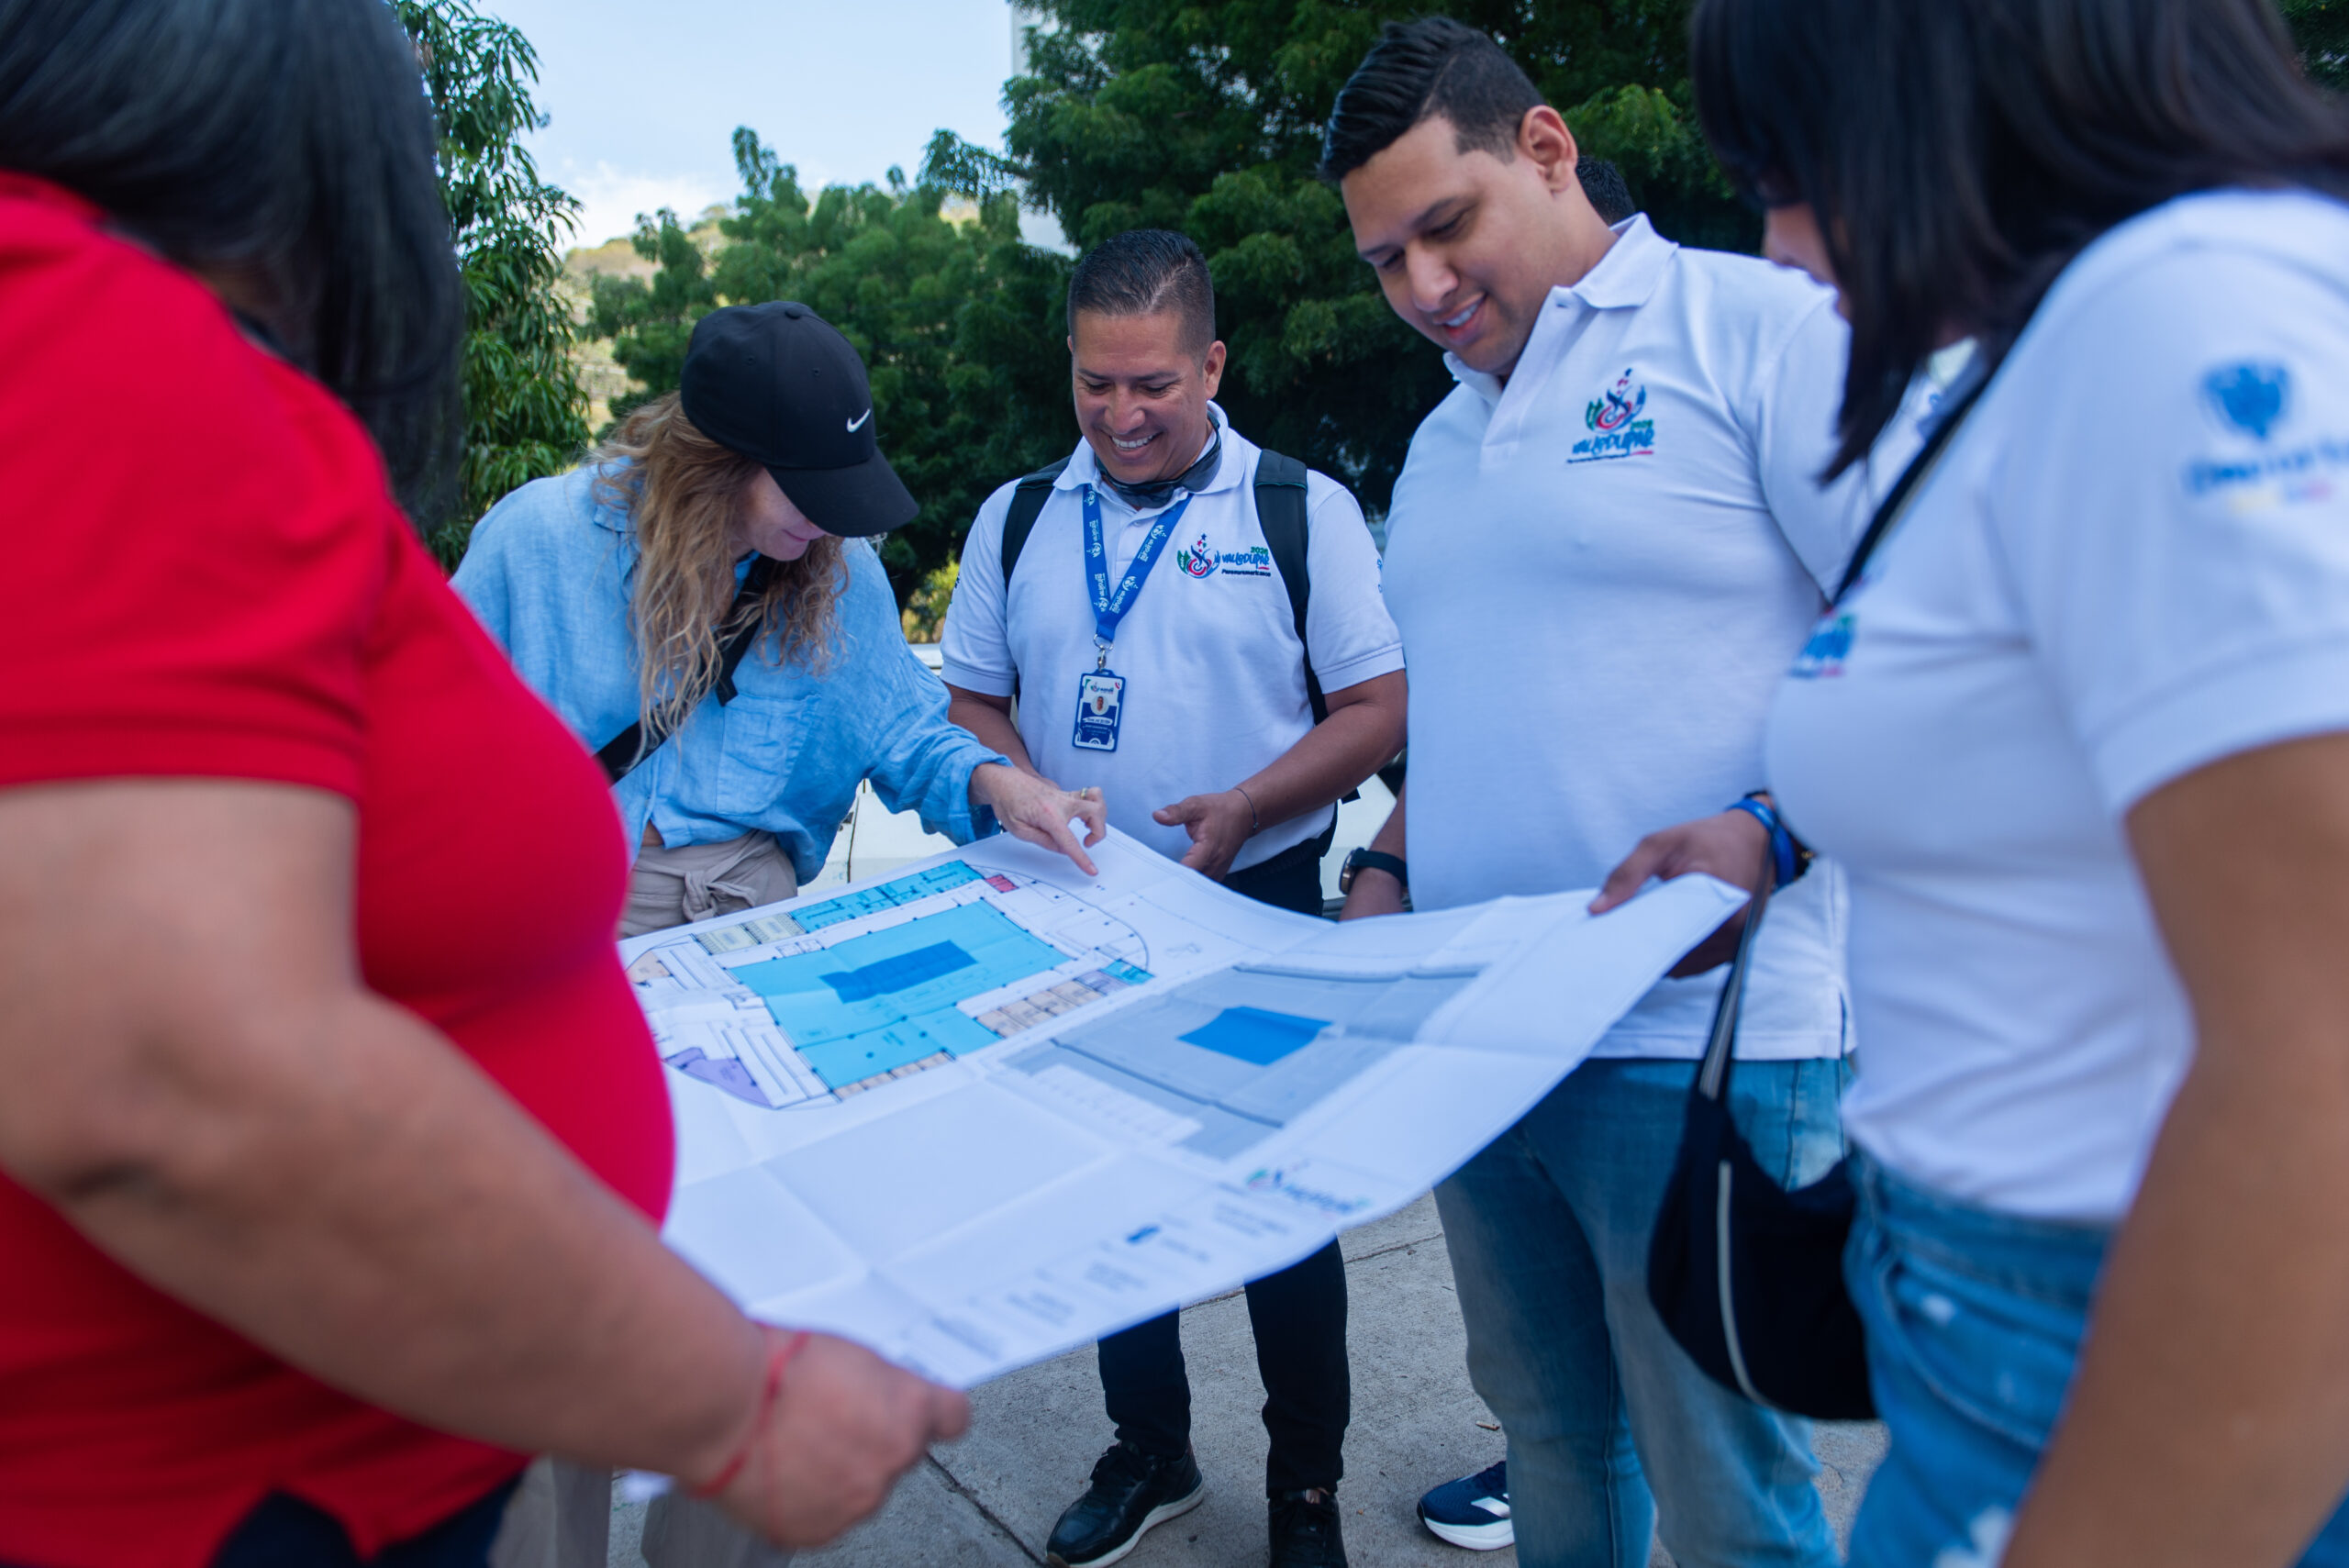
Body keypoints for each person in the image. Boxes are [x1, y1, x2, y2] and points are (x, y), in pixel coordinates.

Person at [0, 3, 966, 1566]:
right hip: (230, 1480)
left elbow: (908, 727)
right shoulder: (110, 346)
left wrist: (1002, 789)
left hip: (342, 1416)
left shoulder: (101, 363)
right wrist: (732, 1401)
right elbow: (173, 1076)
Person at [1589, 2, 2349, 1564]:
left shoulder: (2183, 307)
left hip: (2130, 1348)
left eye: (1791, 170)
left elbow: (2322, 1047)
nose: (1786, 242)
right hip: (1986, 1328)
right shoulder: (2053, 351)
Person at [1321, 18, 1913, 1567]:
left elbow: (1928, 640)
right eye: (1386, 260)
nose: (1424, 291)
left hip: (1697, 1043)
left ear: (1547, 147)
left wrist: (1773, 833)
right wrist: (1389, 852)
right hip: (1477, 1036)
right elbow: (1469, 713)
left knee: (1729, 1489)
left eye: (1445, 229)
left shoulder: (1758, 327)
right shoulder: (1438, 446)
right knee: (1551, 1446)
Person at [939, 228, 1407, 1568]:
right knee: (1109, 1194)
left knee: (1278, 1208)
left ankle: (1304, 1483)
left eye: (1152, 384)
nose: (1123, 415)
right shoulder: (1019, 514)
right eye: (1097, 384)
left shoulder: (1298, 509)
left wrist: (1252, 802)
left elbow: (1377, 706)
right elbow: (971, 695)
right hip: (1075, 904)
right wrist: (1024, 790)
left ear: (1211, 361)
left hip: (1255, 899)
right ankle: (1152, 1446)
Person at [454, 300, 1106, 947]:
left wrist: (1008, 787)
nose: (828, 521)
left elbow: (906, 731)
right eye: (807, 491)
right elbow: (416, 732)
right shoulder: (537, 540)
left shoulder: (839, 572)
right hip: (558, 907)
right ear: (714, 461)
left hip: (751, 914)